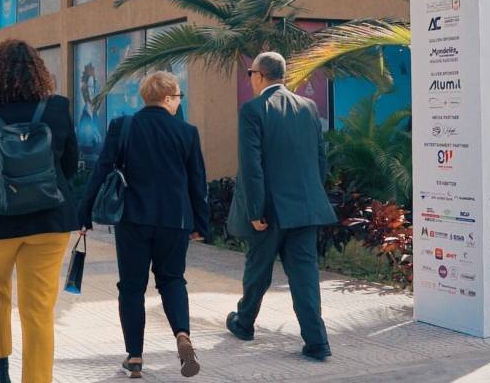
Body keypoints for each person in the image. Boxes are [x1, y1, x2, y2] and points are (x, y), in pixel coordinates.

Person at [0, 40, 79, 383]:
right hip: (50, 220)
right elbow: (70, 164)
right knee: (38, 309)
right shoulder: (57, 108)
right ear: (38, 70)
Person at [79, 71, 209, 379]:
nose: (179, 103)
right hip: (175, 220)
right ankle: (182, 334)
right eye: (178, 97)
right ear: (167, 98)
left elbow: (101, 170)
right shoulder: (187, 132)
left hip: (133, 219)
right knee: (172, 280)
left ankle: (135, 357)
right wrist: (201, 224)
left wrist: (83, 212)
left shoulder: (123, 126)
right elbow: (197, 183)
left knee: (132, 287)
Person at [225, 52, 336, 361]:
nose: (250, 79)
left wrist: (256, 210)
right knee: (305, 277)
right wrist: (311, 197)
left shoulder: (253, 109)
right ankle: (317, 342)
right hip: (305, 209)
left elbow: (252, 165)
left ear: (260, 76)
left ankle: (244, 323)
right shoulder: (308, 107)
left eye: (250, 73)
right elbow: (320, 159)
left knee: (258, 270)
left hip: (271, 211)